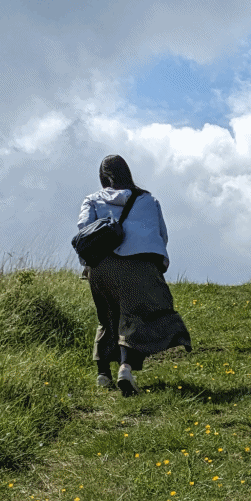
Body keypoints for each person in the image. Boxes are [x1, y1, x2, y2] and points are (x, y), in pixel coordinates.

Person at [76, 155, 192, 396]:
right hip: (141, 264)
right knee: (136, 317)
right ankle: (125, 369)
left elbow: (83, 232)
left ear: (103, 177)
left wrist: (88, 265)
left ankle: (102, 375)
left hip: (102, 265)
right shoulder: (148, 200)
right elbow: (161, 234)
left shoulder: (92, 200)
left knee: (106, 316)